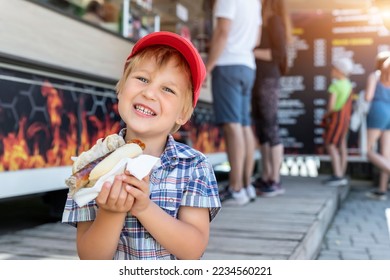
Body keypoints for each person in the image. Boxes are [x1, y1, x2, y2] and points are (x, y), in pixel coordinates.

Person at [62, 31, 221, 260]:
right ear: (121, 88)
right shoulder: (89, 167)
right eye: (142, 79)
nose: (149, 93)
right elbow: (90, 259)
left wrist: (144, 208)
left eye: (168, 89)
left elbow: (193, 249)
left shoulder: (194, 167)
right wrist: (111, 213)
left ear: (183, 114)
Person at [206, 0, 262, 206]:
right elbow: (256, 38)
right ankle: (246, 186)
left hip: (227, 63)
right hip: (248, 65)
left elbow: (222, 30)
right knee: (244, 124)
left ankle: (235, 187)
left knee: (232, 125)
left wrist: (208, 66)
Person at [251, 0, 292, 197]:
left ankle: (275, 179)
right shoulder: (263, 22)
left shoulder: (274, 20)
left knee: (271, 127)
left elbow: (279, 53)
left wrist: (251, 51)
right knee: (262, 130)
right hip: (258, 79)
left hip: (268, 79)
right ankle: (267, 176)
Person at [321, 57, 354, 187]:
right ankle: (342, 172)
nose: (332, 70)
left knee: (330, 145)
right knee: (342, 145)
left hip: (336, 119)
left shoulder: (335, 85)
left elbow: (331, 106)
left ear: (339, 71)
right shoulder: (348, 84)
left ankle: (338, 175)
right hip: (345, 120)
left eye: (334, 68)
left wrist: (327, 115)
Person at [364, 52, 390, 201]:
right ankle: (381, 190)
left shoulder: (375, 76)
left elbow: (368, 97)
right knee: (386, 154)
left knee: (367, 150)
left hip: (378, 111)